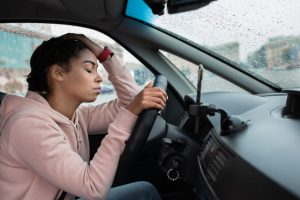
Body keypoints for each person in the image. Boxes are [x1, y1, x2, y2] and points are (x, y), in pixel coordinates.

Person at [0, 33, 167, 200]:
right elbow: (93, 188)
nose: (99, 78)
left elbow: (132, 100)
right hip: (87, 189)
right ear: (58, 73)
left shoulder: (76, 115)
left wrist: (104, 56)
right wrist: (129, 113)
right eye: (89, 69)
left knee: (145, 191)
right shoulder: (28, 125)